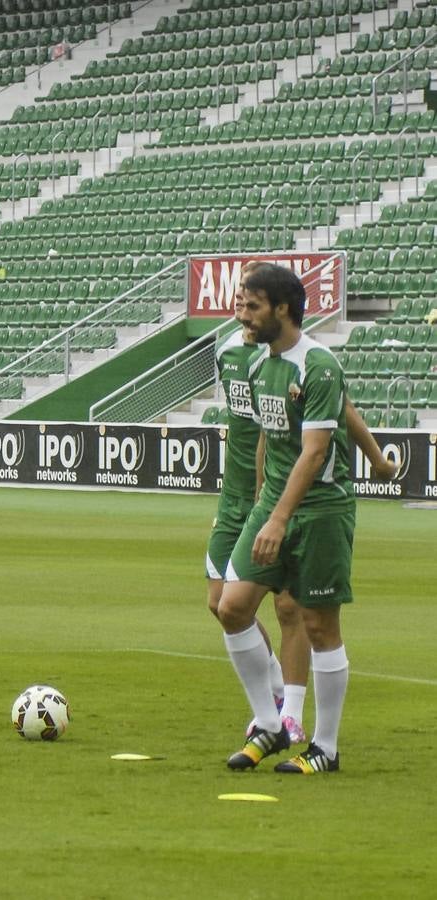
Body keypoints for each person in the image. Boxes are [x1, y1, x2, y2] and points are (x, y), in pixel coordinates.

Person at [207, 261, 395, 745]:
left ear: (282, 309)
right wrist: (260, 503)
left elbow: (314, 453)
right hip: (267, 502)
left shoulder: (318, 365)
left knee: (314, 620)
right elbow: (270, 436)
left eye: (252, 307)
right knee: (231, 607)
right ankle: (270, 723)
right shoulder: (252, 362)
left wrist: (278, 516)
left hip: (319, 509)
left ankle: (323, 746)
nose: (243, 316)